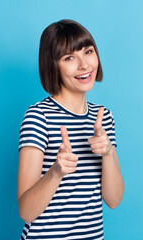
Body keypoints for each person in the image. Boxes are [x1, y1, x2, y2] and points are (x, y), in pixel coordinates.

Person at [17, 19, 124, 240]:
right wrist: (56, 172)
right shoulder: (39, 117)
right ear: (52, 65)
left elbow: (113, 200)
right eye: (69, 58)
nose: (84, 65)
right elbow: (26, 212)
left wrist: (108, 152)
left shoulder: (103, 118)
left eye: (88, 51)